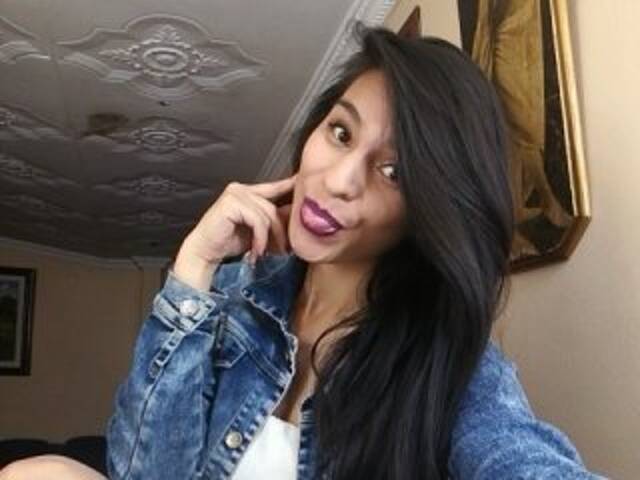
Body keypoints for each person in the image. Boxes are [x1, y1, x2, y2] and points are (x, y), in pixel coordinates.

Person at [0, 25, 607, 480]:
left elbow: (521, 458)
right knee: (37, 472)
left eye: (393, 171)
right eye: (340, 132)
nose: (339, 180)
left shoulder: (449, 359)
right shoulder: (235, 294)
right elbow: (146, 472)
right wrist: (193, 268)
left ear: (429, 208)